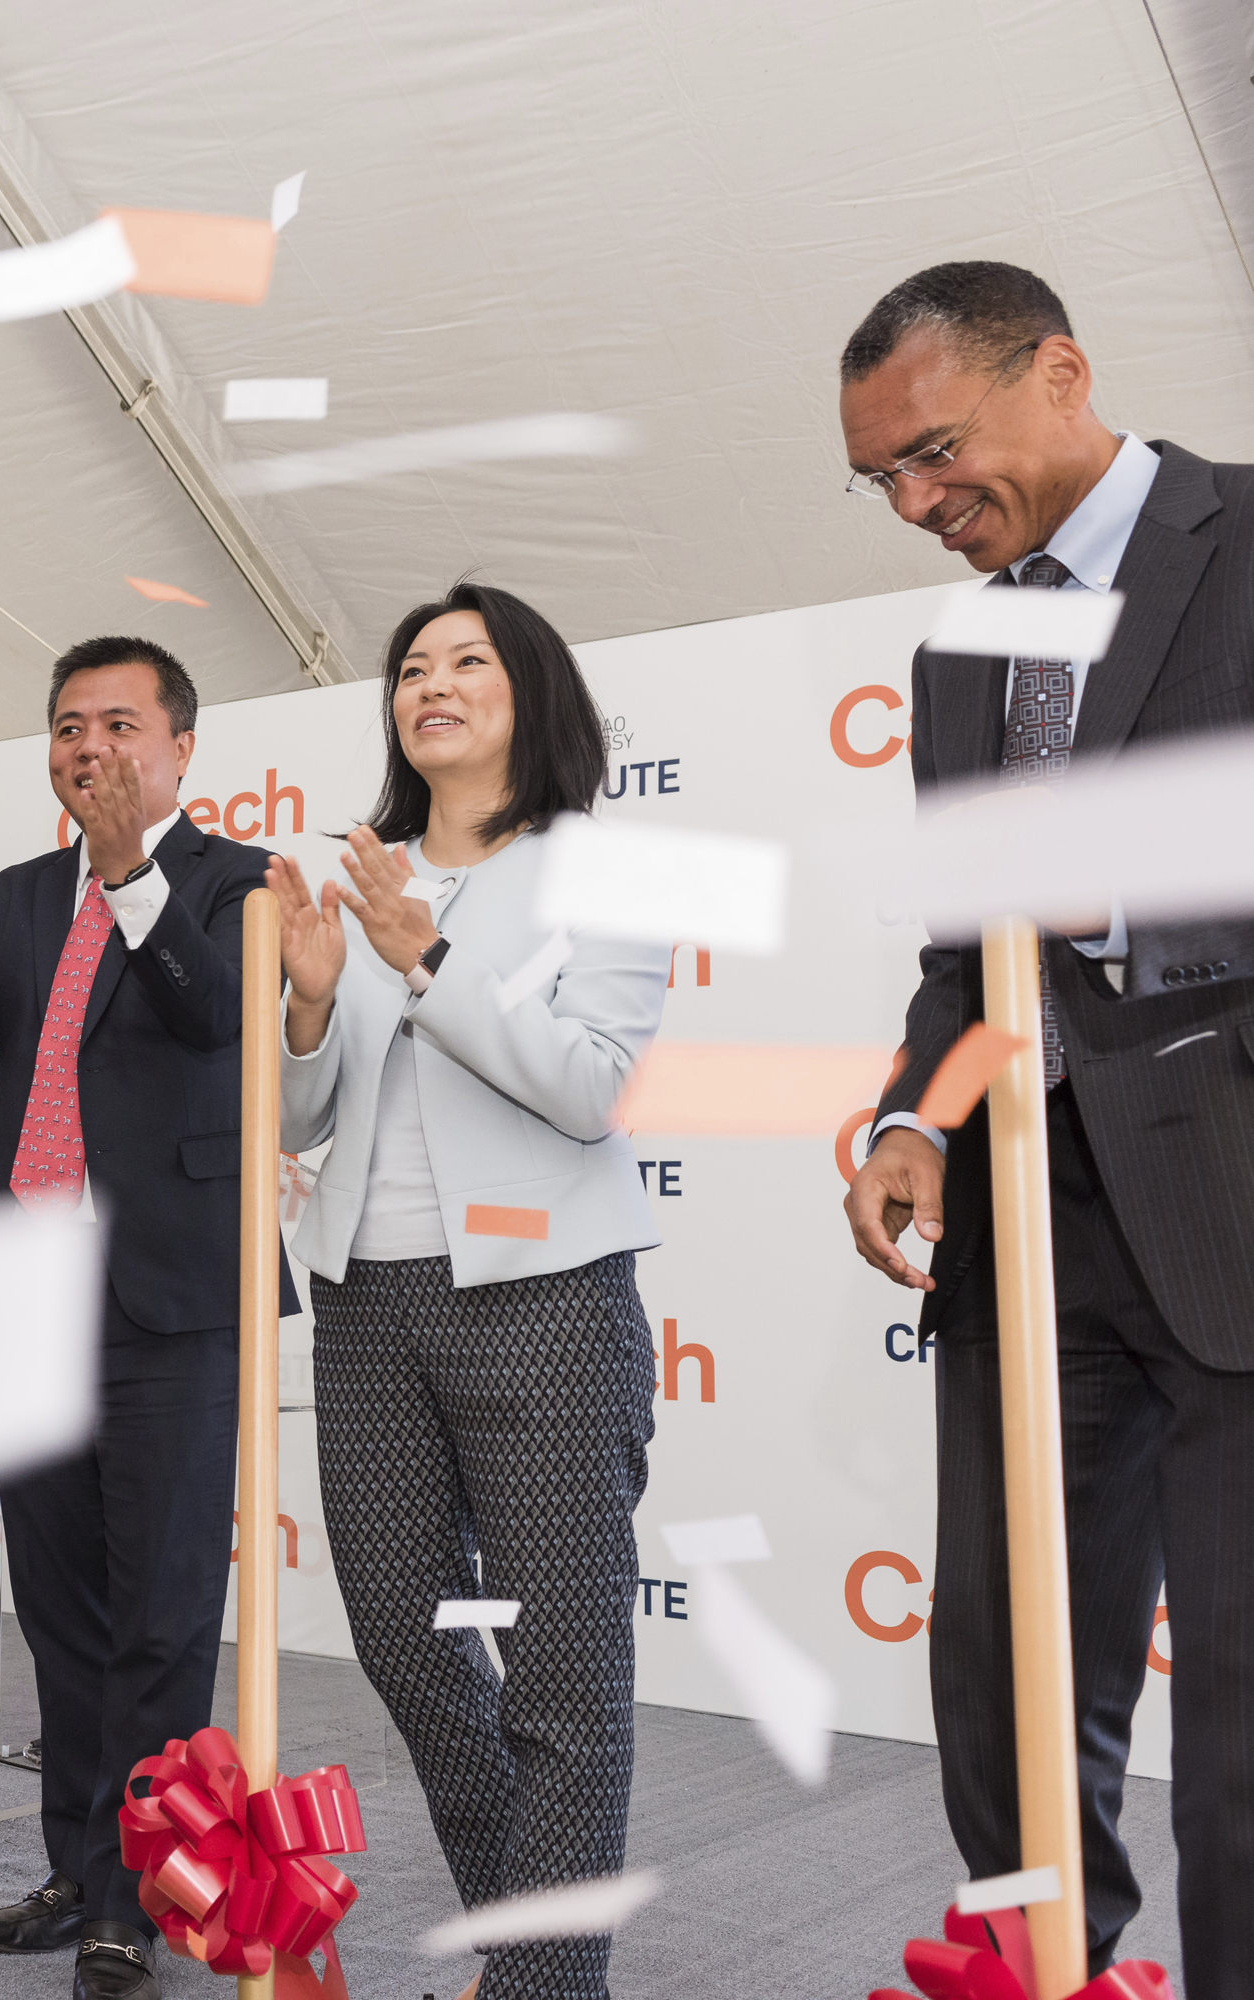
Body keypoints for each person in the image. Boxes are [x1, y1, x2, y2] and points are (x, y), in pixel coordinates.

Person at [837, 262, 1254, 1998]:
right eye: (880, 479)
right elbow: (966, 950)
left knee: (1234, 1714)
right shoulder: (955, 660)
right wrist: (913, 1115)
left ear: (1061, 373)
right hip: (1023, 1229)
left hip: (1229, 1207)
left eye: (934, 452)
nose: (915, 504)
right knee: (1006, 1685)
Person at [271, 585, 666, 2000]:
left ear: (531, 690)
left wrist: (424, 963)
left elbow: (587, 1086)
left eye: (466, 661)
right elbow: (304, 1120)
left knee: (564, 1675)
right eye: (410, 668)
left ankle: (540, 1983)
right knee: (405, 1646)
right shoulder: (365, 873)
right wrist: (311, 1001)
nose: (429, 684)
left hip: (543, 1300)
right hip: (367, 1304)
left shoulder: (601, 868)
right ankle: (540, 1959)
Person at [0, 636, 286, 2000]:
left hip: (168, 1294)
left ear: (181, 747)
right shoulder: (14, 893)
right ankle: (75, 1868)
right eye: (67, 726)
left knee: (161, 1614)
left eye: (118, 723)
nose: (88, 747)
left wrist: (127, 873)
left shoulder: (238, 882)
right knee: (60, 1610)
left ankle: (135, 1898)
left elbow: (211, 1013)